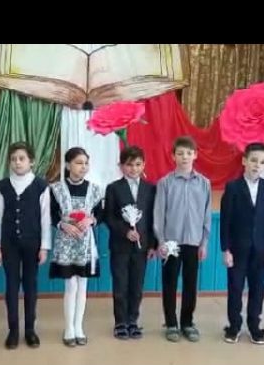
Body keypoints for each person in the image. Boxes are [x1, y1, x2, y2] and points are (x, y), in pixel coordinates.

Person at [0, 141, 51, 349]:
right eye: (13, 159)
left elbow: (45, 219)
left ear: (31, 161)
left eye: (22, 158)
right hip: (9, 244)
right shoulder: (2, 186)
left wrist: (44, 247)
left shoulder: (41, 186)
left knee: (30, 286)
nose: (17, 162)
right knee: (11, 287)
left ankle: (30, 330)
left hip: (32, 244)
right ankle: (13, 331)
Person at [219, 142, 264, 343]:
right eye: (253, 160)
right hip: (238, 249)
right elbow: (225, 221)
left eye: (262, 162)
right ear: (244, 161)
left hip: (261, 250)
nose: (257, 165)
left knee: (257, 289)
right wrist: (226, 249)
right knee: (235, 288)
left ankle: (255, 326)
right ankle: (234, 326)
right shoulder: (233, 187)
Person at [153, 136, 211, 342]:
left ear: (195, 155)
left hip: (194, 242)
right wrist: (161, 241)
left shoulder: (204, 183)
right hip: (171, 243)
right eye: (180, 153)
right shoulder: (165, 183)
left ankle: (187, 322)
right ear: (173, 156)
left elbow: (206, 215)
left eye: (188, 153)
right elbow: (159, 214)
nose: (184, 157)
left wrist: (204, 243)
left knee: (190, 284)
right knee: (169, 283)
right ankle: (171, 323)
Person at [49, 147, 103, 346]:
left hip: (85, 243)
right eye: (79, 163)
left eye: (86, 163)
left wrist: (91, 220)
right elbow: (51, 214)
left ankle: (79, 326)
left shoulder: (95, 189)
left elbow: (100, 213)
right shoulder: (56, 188)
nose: (83, 167)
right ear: (68, 165)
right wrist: (62, 225)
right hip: (65, 242)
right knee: (70, 285)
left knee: (83, 285)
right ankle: (68, 328)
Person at [104, 145, 157, 339]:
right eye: (129, 165)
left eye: (137, 164)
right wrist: (125, 231)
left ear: (144, 165)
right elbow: (109, 217)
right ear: (121, 166)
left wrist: (152, 244)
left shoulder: (151, 189)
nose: (133, 169)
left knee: (137, 285)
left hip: (142, 248)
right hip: (120, 246)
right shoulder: (113, 188)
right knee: (120, 285)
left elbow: (153, 219)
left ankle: (133, 320)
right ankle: (120, 322)